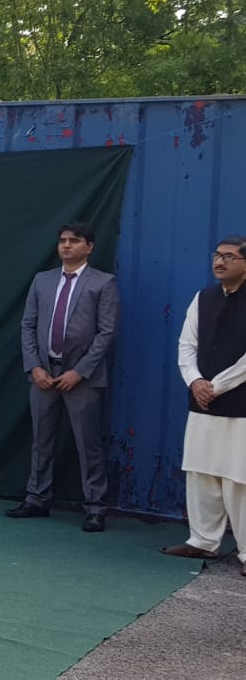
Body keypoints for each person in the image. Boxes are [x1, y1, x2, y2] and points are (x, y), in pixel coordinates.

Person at [7, 223, 119, 531]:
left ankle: (95, 506)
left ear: (89, 246)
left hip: (82, 377)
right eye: (62, 241)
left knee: (88, 442)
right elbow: (28, 325)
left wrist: (79, 371)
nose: (66, 246)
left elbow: (106, 332)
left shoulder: (103, 283)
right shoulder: (42, 280)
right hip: (44, 373)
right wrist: (34, 367)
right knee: (41, 440)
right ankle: (37, 498)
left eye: (74, 241)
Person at [162, 235, 246, 572]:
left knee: (239, 478)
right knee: (200, 472)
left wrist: (217, 385)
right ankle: (203, 541)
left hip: (240, 404)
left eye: (229, 256)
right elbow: (186, 345)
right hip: (202, 402)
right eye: (217, 255)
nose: (219, 261)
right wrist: (195, 381)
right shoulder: (204, 298)